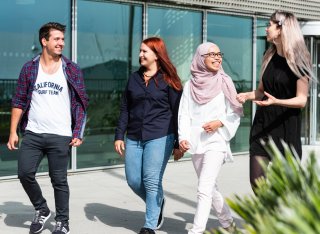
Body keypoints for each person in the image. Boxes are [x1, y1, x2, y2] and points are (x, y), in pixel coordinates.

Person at [7, 22, 89, 234]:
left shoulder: (71, 69)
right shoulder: (30, 68)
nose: (61, 43)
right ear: (44, 41)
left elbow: (81, 103)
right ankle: (42, 209)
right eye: (57, 39)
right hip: (33, 133)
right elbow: (18, 100)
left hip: (61, 134)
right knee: (25, 173)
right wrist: (13, 131)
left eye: (63, 39)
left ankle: (63, 221)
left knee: (59, 180)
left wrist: (78, 131)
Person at [236, 10, 312, 190]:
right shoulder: (268, 56)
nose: (266, 29)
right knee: (257, 183)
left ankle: (282, 217)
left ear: (281, 29)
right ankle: (268, 215)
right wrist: (247, 95)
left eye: (269, 25)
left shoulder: (299, 61)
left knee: (287, 189)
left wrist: (277, 101)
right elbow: (262, 91)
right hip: (262, 126)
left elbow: (301, 100)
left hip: (286, 129)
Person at [114, 37, 183, 234]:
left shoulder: (169, 80)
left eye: (145, 51)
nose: (140, 55)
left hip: (161, 135)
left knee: (151, 180)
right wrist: (119, 135)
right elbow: (125, 108)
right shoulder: (134, 78)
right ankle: (158, 203)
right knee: (134, 180)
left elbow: (179, 112)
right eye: (140, 51)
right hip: (134, 136)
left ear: (156, 54)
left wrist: (179, 142)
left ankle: (149, 225)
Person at [178, 42, 243, 234]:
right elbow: (184, 113)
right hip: (196, 142)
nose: (217, 57)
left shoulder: (225, 81)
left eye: (219, 54)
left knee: (203, 188)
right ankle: (228, 223)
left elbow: (235, 112)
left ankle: (196, 231)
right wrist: (183, 137)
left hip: (217, 141)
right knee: (211, 188)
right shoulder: (189, 85)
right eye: (211, 54)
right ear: (200, 58)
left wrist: (219, 122)